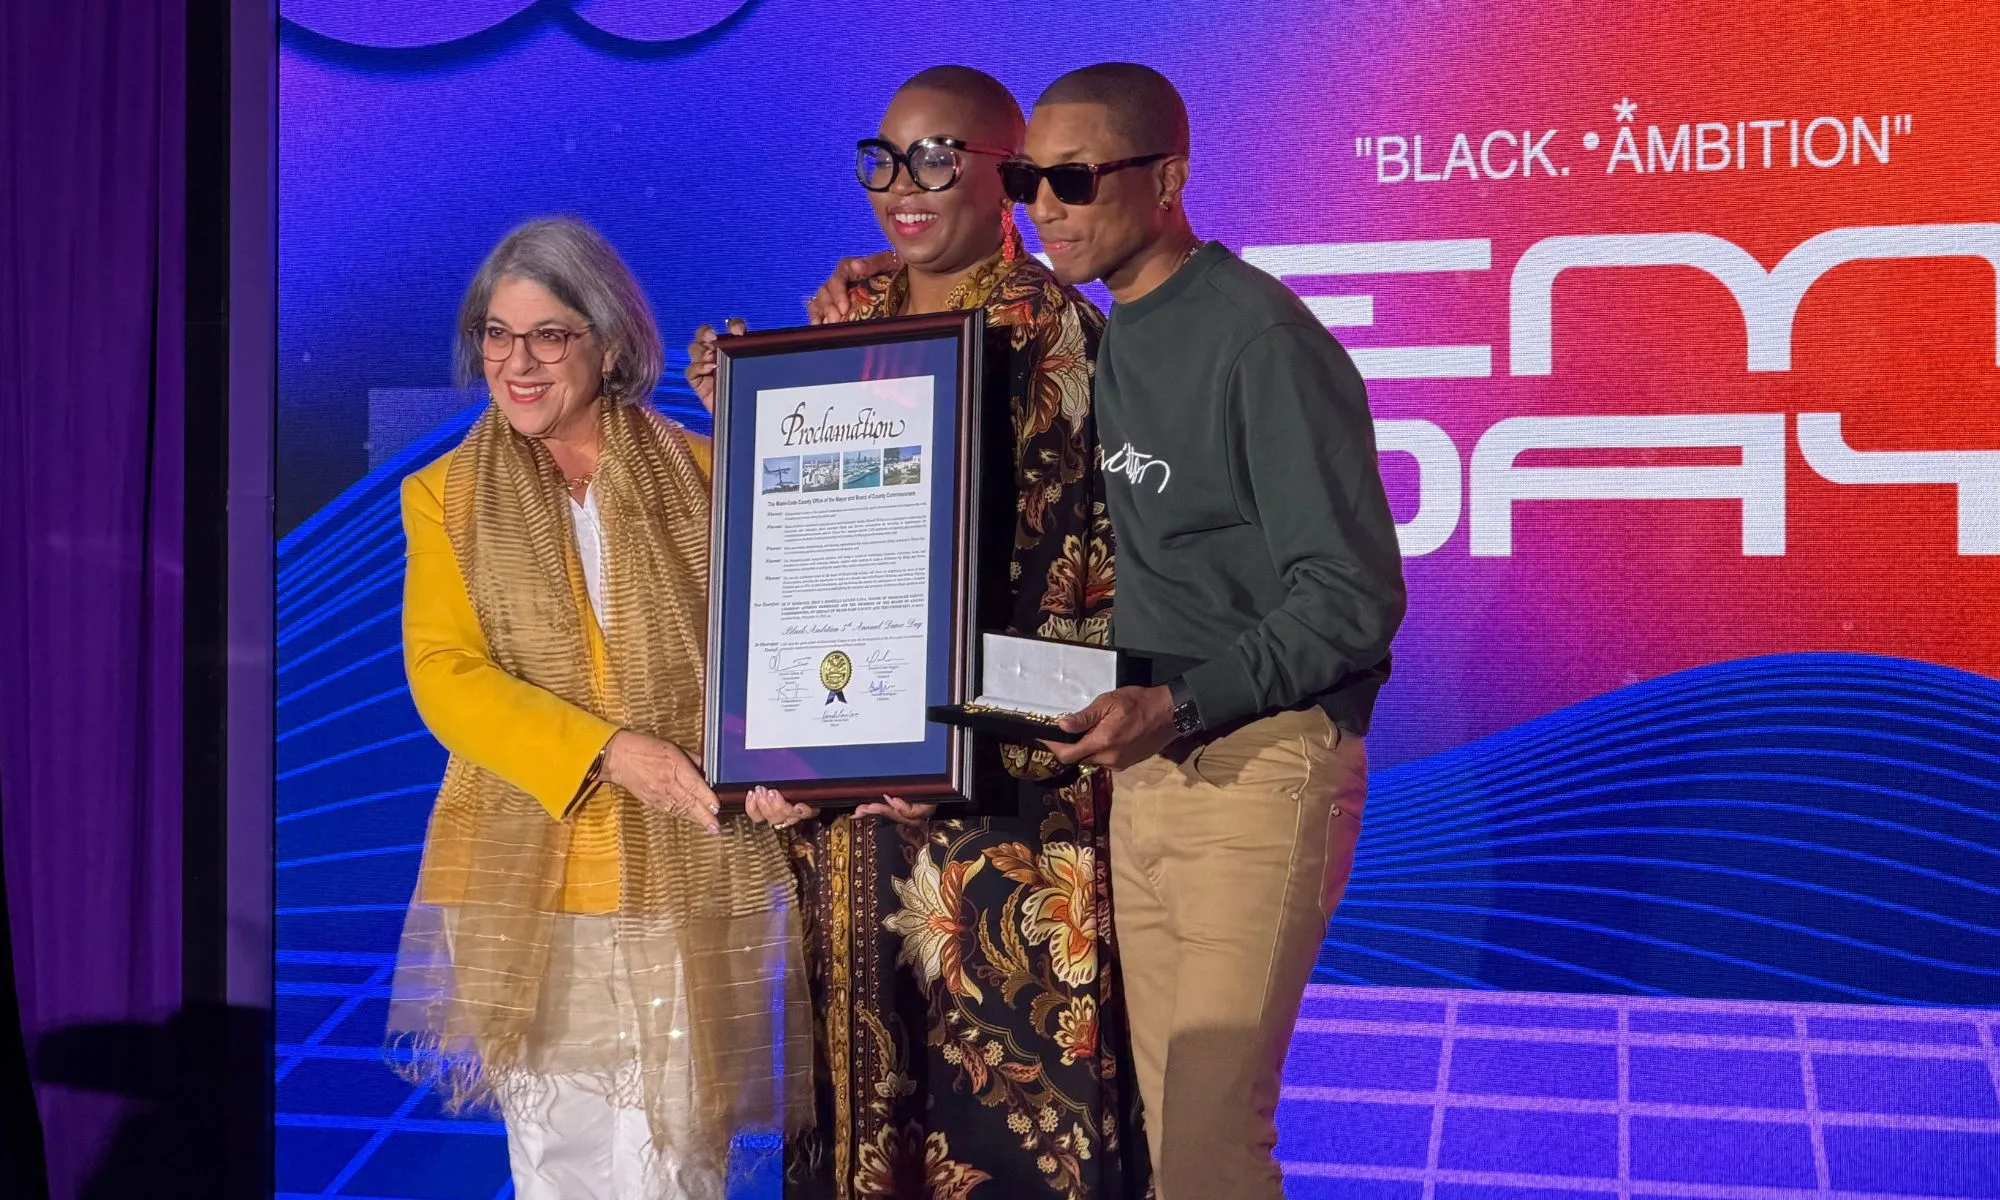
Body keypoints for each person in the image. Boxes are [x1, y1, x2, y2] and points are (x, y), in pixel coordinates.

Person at [811, 60, 1406, 1200]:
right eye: (1029, 181)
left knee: (1212, 1145)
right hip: (1150, 776)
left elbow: (1351, 596)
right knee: (1168, 1138)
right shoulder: (1119, 327)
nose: (1045, 208)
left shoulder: (1259, 339)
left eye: (1074, 181)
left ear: (1167, 179)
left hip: (1259, 765)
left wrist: (1178, 705)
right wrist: (883, 274)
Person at [687, 67, 1147, 1200]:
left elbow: (1088, 600)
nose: (903, 185)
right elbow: (801, 573)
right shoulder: (839, 325)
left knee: (1003, 1134)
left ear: (1008, 176)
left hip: (1000, 814)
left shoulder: (1058, 337)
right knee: (856, 1126)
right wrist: (781, 744)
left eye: (938, 158)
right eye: (884, 158)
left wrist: (951, 739)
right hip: (847, 827)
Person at [386, 217, 813, 1200]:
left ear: (610, 344)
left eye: (548, 335)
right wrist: (613, 752)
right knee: (556, 1166)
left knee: (678, 1161)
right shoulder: (443, 495)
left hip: (694, 865)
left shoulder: (709, 471)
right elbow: (447, 676)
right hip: (529, 876)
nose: (517, 362)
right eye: (497, 334)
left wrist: (790, 765)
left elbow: (775, 646)